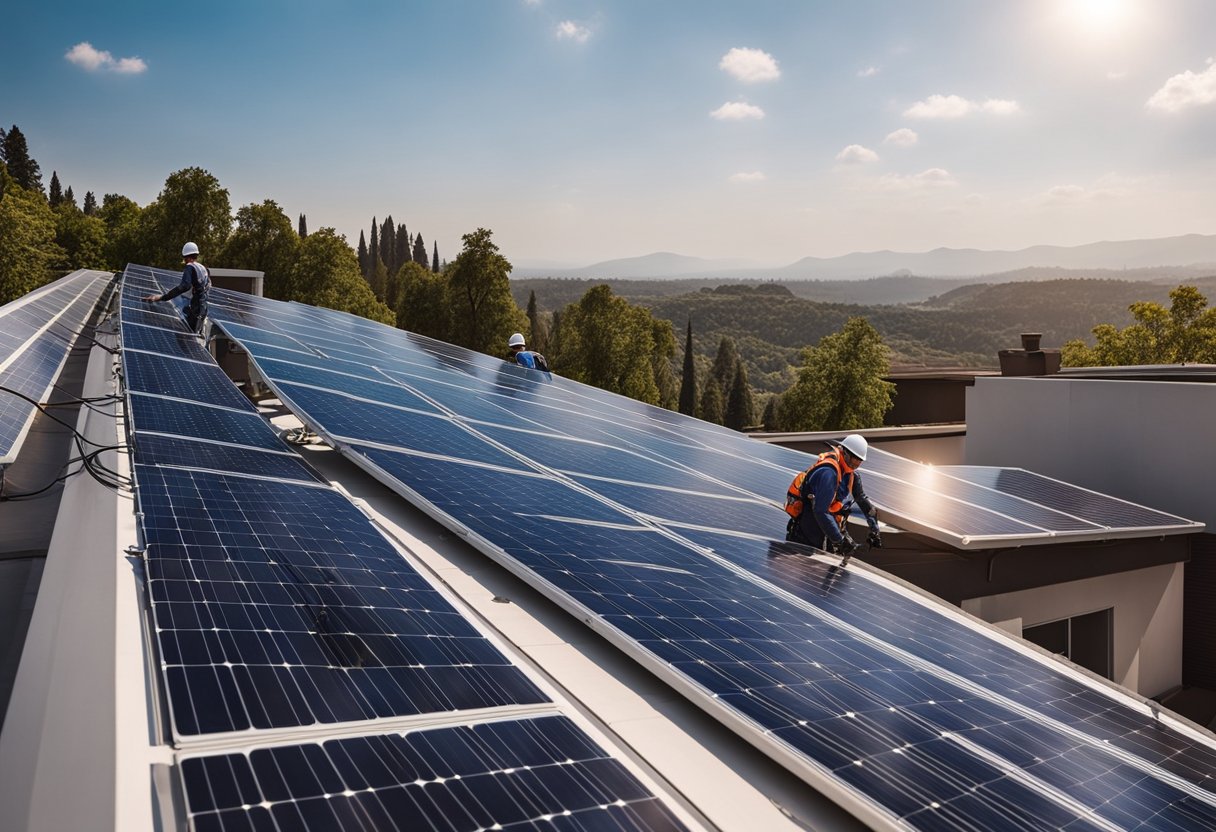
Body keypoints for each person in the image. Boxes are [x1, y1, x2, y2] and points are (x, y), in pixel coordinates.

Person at [785, 433, 883, 556]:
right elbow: (821, 511)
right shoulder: (828, 473)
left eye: (860, 460)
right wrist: (840, 541)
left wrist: (874, 529)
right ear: (845, 452)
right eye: (855, 458)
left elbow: (861, 498)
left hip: (825, 533)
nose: (857, 463)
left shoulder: (850, 474)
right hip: (806, 535)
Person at [142, 242, 211, 334]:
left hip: (196, 308)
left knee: (185, 336)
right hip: (203, 308)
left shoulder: (190, 267)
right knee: (194, 336)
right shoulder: (202, 268)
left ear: (186, 257)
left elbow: (185, 286)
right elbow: (208, 284)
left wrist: (163, 297)